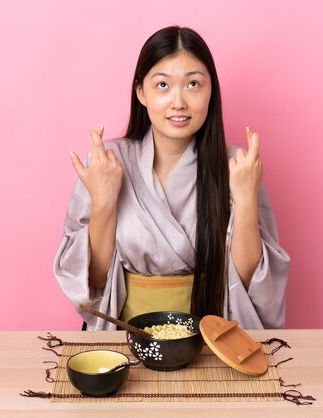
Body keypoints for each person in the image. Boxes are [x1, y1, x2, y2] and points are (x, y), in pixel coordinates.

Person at [54, 26, 290, 330]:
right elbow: (94, 282)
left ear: (211, 91)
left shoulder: (237, 165)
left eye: (193, 84)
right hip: (126, 336)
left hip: (210, 337)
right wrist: (104, 200)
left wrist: (245, 201)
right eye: (162, 85)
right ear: (141, 92)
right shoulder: (109, 162)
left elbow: (248, 285)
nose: (179, 102)